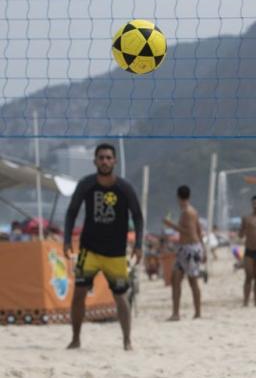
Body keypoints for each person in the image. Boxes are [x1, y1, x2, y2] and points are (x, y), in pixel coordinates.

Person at [63, 143, 143, 351]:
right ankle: (75, 338)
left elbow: (137, 215)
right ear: (95, 161)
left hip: (115, 253)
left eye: (109, 157)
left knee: (121, 297)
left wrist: (139, 245)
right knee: (78, 294)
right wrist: (65, 241)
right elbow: (71, 212)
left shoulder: (124, 187)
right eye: (101, 158)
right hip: (88, 251)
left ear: (114, 161)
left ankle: (127, 341)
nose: (105, 161)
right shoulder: (86, 184)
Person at [162, 185, 206, 321]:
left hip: (190, 249)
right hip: (187, 248)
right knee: (176, 280)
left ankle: (197, 312)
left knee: (192, 282)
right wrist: (203, 248)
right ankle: (176, 313)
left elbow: (190, 232)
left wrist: (170, 225)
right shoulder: (192, 211)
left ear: (178, 197)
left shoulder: (187, 212)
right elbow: (199, 230)